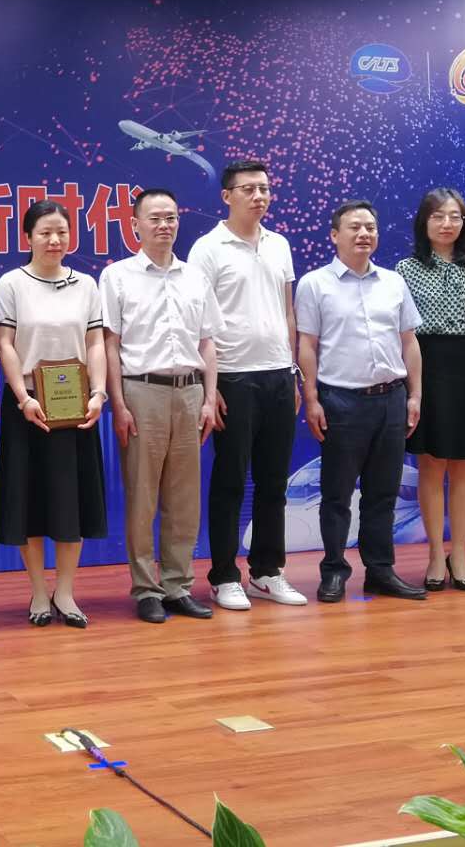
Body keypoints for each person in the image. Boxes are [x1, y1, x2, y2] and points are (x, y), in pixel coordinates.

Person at [188, 159, 307, 612]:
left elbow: (288, 311)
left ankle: (267, 571)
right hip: (232, 378)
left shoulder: (279, 244)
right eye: (249, 189)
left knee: (274, 480)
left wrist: (292, 370)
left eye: (265, 189)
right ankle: (223, 576)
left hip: (277, 374)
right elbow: (197, 322)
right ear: (227, 196)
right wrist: (209, 385)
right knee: (231, 480)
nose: (259, 197)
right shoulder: (207, 248)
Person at [100, 188, 221, 624]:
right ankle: (145, 589)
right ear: (135, 225)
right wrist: (118, 403)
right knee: (143, 495)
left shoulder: (195, 277)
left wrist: (209, 398)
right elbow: (110, 345)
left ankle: (177, 585)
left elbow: (207, 343)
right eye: (154, 218)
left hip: (189, 393)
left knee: (184, 498)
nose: (164, 225)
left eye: (170, 217)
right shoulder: (117, 276)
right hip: (141, 392)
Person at [296, 200, 426, 603]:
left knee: (383, 493)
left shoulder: (393, 282)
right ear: (335, 235)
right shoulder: (315, 284)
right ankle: (334, 571)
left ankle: (380, 571)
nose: (364, 234)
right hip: (341, 402)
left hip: (391, 399)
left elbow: (409, 341)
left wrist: (415, 394)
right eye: (354, 227)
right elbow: (307, 345)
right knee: (336, 494)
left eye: (370, 227)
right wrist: (311, 397)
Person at [0, 200, 108, 628]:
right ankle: (39, 592)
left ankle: (66, 591)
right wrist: (23, 398)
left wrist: (99, 394)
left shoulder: (86, 285)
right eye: (45, 232)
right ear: (28, 237)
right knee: (31, 501)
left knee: (70, 502)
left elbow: (95, 343)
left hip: (75, 407)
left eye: (61, 231)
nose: (54, 240)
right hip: (28, 405)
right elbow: (4, 344)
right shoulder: (12, 284)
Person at [395, 188, 465, 593]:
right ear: (424, 222)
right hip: (427, 366)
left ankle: (459, 554)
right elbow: (401, 331)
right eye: (438, 216)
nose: (447, 224)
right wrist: (411, 386)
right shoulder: (405, 269)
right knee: (431, 464)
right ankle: (435, 554)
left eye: (455, 216)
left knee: (463, 466)